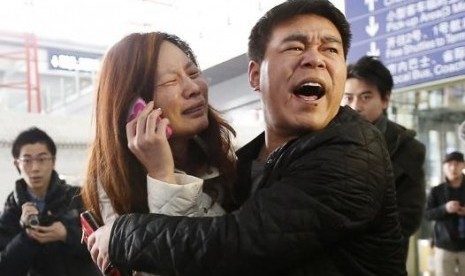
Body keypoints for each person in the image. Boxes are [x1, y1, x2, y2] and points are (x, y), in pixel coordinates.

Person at [87, 1, 407, 275]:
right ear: (255, 75)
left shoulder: (352, 153)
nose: (193, 88)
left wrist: (123, 234)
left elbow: (236, 245)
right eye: (295, 47)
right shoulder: (244, 164)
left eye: (331, 49)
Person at [81, 32, 236, 274]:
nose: (194, 88)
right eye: (170, 82)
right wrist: (163, 176)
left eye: (193, 73)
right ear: (135, 108)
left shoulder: (224, 158)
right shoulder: (114, 188)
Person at [342, 55, 426, 260]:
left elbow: (408, 217)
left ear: (386, 99)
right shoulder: (329, 141)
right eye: (349, 97)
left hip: (381, 260)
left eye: (366, 97)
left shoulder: (408, 149)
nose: (355, 106)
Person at [0, 127, 101, 275]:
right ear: (17, 164)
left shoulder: (77, 197)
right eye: (27, 160)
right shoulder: (12, 211)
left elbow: (104, 246)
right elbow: (5, 269)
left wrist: (67, 234)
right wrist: (26, 236)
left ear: (53, 161)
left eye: (42, 159)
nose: (35, 168)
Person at [425, 151, 465, 276]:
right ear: (444, 167)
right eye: (449, 164)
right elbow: (427, 214)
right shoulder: (437, 191)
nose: (453, 168)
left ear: (463, 165)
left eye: (457, 164)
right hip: (444, 246)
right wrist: (445, 209)